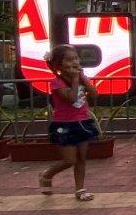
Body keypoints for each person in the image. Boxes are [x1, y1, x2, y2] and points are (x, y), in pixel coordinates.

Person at [38, 44, 100, 201]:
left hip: (83, 121)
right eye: (69, 59)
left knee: (81, 158)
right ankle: (47, 174)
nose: (74, 62)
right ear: (59, 65)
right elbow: (72, 99)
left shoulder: (80, 79)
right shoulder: (57, 83)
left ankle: (80, 188)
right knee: (69, 160)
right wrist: (74, 79)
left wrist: (83, 79)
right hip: (63, 125)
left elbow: (94, 94)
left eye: (76, 58)